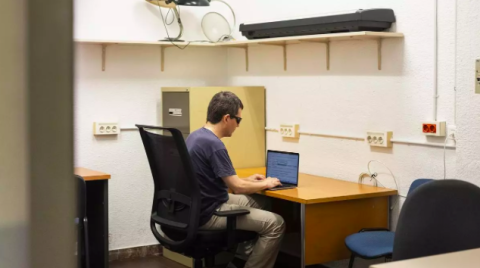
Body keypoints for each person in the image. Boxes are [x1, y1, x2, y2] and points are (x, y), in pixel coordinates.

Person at [185, 91, 285, 268]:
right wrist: (267, 183)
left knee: (261, 202)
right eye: (238, 120)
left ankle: (241, 258)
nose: (238, 126)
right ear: (226, 118)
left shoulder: (196, 136)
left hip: (196, 206)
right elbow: (237, 187)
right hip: (209, 212)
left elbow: (224, 179)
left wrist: (251, 180)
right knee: (276, 223)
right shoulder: (214, 145)